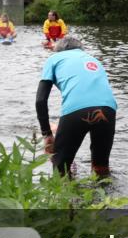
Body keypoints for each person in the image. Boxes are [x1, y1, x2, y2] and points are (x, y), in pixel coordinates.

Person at [35, 36, 117, 176]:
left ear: (58, 50)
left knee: (60, 171)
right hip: (108, 108)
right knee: (101, 169)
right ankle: (104, 189)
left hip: (76, 110)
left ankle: (65, 188)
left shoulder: (54, 58)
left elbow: (40, 100)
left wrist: (47, 134)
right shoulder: (93, 59)